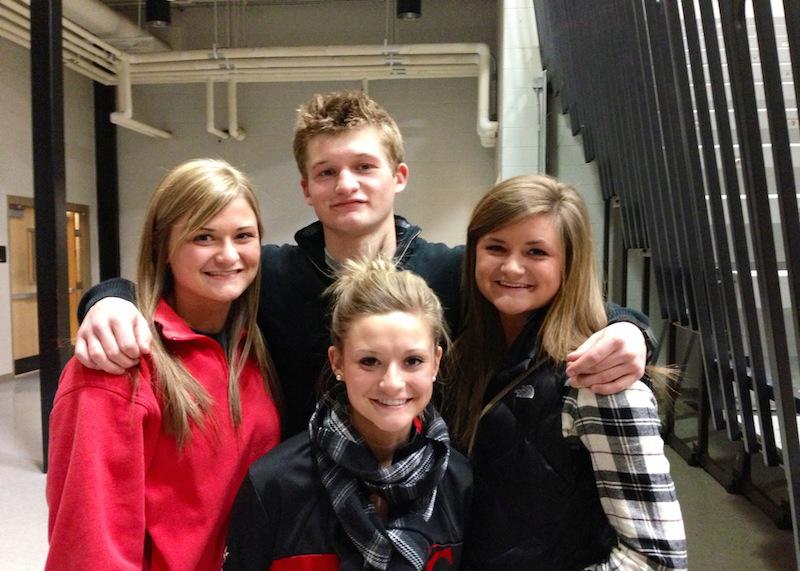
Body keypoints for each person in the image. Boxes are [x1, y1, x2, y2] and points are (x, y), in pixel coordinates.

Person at [73, 90, 651, 438]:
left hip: (428, 498)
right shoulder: (270, 276)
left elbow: (549, 298)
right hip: (302, 497)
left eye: (364, 167)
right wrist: (109, 298)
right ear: (305, 187)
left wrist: (630, 328)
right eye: (326, 171)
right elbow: (176, 289)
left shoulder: (449, 271)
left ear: (398, 176)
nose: (345, 184)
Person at [44, 159, 282, 571]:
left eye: (243, 236)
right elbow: (90, 547)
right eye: (203, 236)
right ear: (163, 246)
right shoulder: (118, 364)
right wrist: (107, 298)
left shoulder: (251, 348)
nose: (228, 255)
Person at [446, 175, 687, 571]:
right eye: (496, 248)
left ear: (569, 264)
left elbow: (657, 560)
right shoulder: (464, 355)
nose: (512, 267)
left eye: (536, 252)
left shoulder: (602, 379)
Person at [217, 257, 471, 571]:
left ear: (436, 363)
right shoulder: (275, 484)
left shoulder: (459, 480)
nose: (392, 383)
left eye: (413, 361)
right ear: (338, 362)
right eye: (369, 361)